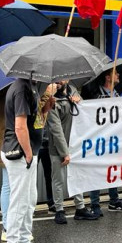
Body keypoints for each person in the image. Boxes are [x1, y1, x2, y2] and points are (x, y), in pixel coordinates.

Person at [1, 78, 51, 243]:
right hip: (21, 152)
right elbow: (20, 126)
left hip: (29, 152)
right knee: (19, 199)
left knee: (29, 199)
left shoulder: (31, 87)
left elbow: (35, 122)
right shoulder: (21, 89)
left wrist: (45, 110)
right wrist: (29, 154)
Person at [48, 81, 99, 223]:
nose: (59, 81)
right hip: (58, 147)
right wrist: (64, 152)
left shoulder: (73, 92)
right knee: (58, 179)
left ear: (68, 79)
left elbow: (85, 114)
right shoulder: (51, 99)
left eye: (62, 78)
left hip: (75, 145)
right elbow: (55, 128)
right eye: (57, 78)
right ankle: (59, 210)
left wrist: (79, 102)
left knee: (77, 177)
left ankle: (80, 208)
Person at [86, 70, 122, 214]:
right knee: (97, 172)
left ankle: (114, 201)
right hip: (99, 141)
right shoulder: (96, 95)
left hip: (114, 140)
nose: (118, 76)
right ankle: (95, 205)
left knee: (113, 170)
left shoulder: (117, 94)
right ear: (107, 77)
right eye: (115, 74)